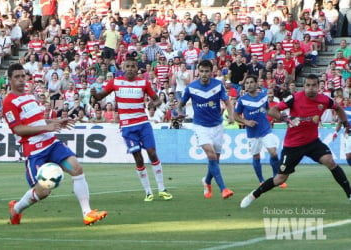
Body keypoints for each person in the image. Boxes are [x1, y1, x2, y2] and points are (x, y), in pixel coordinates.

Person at [2, 63, 107, 225]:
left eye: (23, 76)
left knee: (77, 168)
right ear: (10, 80)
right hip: (34, 150)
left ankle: (87, 213)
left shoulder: (30, 96)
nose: (22, 80)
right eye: (17, 77)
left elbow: (38, 121)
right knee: (43, 191)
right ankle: (16, 209)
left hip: (51, 142)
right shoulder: (8, 102)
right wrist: (47, 126)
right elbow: (17, 129)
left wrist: (55, 121)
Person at [240, 74, 351, 208]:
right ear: (304, 86)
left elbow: (338, 108)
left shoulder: (325, 100)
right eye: (308, 85)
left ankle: (349, 194)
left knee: (330, 161)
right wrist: (285, 119)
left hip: (312, 142)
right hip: (292, 145)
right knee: (280, 179)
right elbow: (272, 111)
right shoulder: (294, 98)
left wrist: (346, 124)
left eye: (314, 85)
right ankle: (254, 194)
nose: (311, 88)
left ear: (318, 86)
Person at [90, 56, 173, 202]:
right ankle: (148, 192)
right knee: (138, 158)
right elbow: (99, 96)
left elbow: (155, 98)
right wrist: (93, 94)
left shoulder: (144, 83)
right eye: (127, 66)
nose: (130, 69)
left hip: (143, 124)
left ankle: (162, 189)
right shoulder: (115, 82)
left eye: (133, 66)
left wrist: (163, 105)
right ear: (123, 68)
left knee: (152, 153)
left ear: (137, 69)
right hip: (127, 127)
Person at [177, 60, 235, 199]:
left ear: (211, 72)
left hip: (217, 126)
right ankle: (224, 188)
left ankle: (207, 181)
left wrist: (231, 115)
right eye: (201, 71)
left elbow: (227, 102)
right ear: (198, 72)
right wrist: (180, 111)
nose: (204, 74)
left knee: (216, 159)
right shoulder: (191, 87)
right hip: (200, 126)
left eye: (207, 71)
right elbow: (181, 104)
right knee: (211, 156)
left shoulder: (218, 85)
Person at [234, 75, 287, 188]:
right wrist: (246, 122)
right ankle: (261, 180)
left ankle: (276, 178)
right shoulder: (242, 100)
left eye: (251, 82)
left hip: (265, 129)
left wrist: (281, 117)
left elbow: (268, 110)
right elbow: (235, 116)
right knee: (256, 156)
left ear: (256, 83)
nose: (249, 84)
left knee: (273, 152)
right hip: (252, 133)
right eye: (247, 83)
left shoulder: (263, 96)